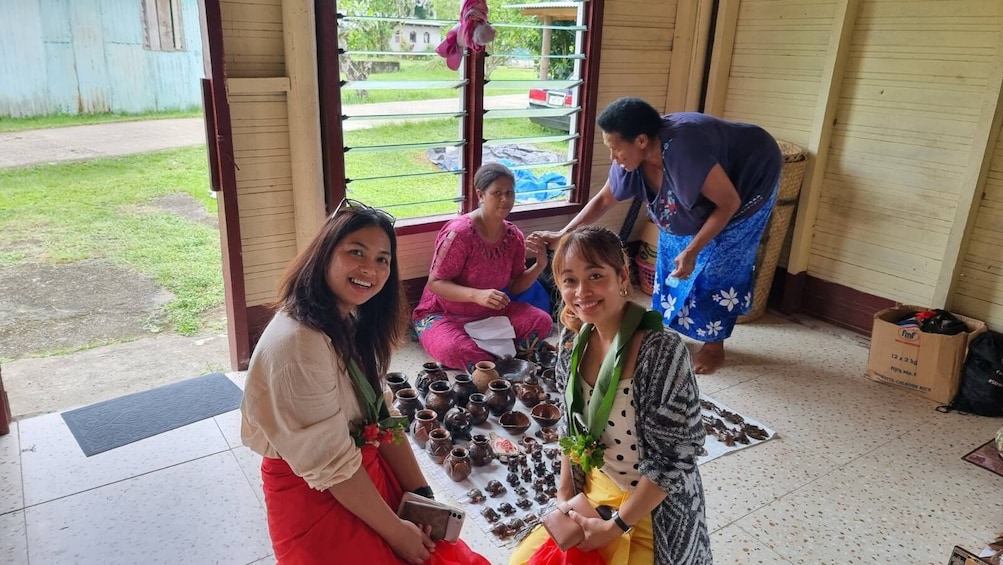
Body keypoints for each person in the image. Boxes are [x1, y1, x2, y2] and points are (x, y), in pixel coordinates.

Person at [240, 199, 488, 565]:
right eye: (356, 252)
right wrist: (396, 532)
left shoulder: (347, 319)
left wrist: (421, 494)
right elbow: (331, 466)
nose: (369, 268)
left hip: (357, 471)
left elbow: (382, 414)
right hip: (316, 491)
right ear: (324, 255)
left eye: (382, 259)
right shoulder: (298, 342)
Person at [509, 226, 712, 565]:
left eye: (595, 275)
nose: (582, 291)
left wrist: (616, 525)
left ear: (622, 276)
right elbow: (569, 433)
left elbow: (675, 459)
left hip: (650, 506)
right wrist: (565, 497)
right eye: (569, 280)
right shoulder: (573, 344)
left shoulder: (661, 350)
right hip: (596, 490)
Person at [535, 97, 782, 374]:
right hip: (706, 187)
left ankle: (714, 346)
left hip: (748, 183)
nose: (613, 157)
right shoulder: (633, 159)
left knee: (718, 267)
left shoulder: (685, 150)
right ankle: (665, 326)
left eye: (616, 149)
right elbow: (605, 200)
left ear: (641, 141)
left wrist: (693, 251)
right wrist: (563, 234)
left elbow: (728, 203)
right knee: (672, 254)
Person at [413, 162, 554, 370]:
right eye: (497, 193)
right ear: (480, 194)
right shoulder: (459, 234)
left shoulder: (513, 236)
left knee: (542, 322)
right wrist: (476, 295)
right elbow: (436, 283)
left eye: (509, 192)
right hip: (445, 314)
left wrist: (540, 265)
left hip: (489, 314)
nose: (505, 200)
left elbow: (515, 285)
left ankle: (494, 357)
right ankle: (497, 358)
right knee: (457, 350)